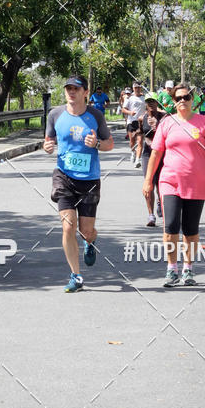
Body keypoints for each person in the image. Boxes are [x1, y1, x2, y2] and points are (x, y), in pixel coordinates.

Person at [142, 83, 205, 287]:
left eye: (186, 97)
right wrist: (148, 180)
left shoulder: (204, 123)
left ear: (192, 99)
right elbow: (156, 153)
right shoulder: (167, 123)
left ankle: (188, 268)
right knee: (170, 228)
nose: (182, 101)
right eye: (178, 98)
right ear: (173, 102)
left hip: (197, 182)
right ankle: (171, 269)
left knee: (190, 230)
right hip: (170, 181)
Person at [44, 75, 114, 292]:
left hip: (89, 179)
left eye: (76, 89)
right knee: (68, 227)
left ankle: (90, 241)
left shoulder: (95, 115)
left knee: (86, 230)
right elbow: (49, 141)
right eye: (68, 89)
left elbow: (109, 144)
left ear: (86, 92)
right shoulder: (55, 114)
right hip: (64, 176)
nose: (71, 92)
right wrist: (47, 146)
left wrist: (97, 143)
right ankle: (76, 275)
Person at [140, 93, 167, 226]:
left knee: (161, 184)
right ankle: (151, 215)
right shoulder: (142, 118)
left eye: (153, 101)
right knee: (149, 184)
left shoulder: (165, 118)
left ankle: (160, 204)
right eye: (148, 101)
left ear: (158, 102)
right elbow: (140, 134)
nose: (151, 103)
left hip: (162, 154)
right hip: (147, 153)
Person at [122, 81, 146, 167]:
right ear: (133, 88)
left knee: (140, 141)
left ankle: (137, 160)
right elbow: (123, 109)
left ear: (141, 88)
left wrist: (144, 115)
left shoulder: (144, 98)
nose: (137, 89)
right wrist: (130, 112)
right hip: (131, 122)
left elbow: (147, 109)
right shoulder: (129, 98)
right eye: (136, 88)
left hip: (140, 122)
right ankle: (133, 152)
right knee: (132, 140)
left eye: (139, 87)